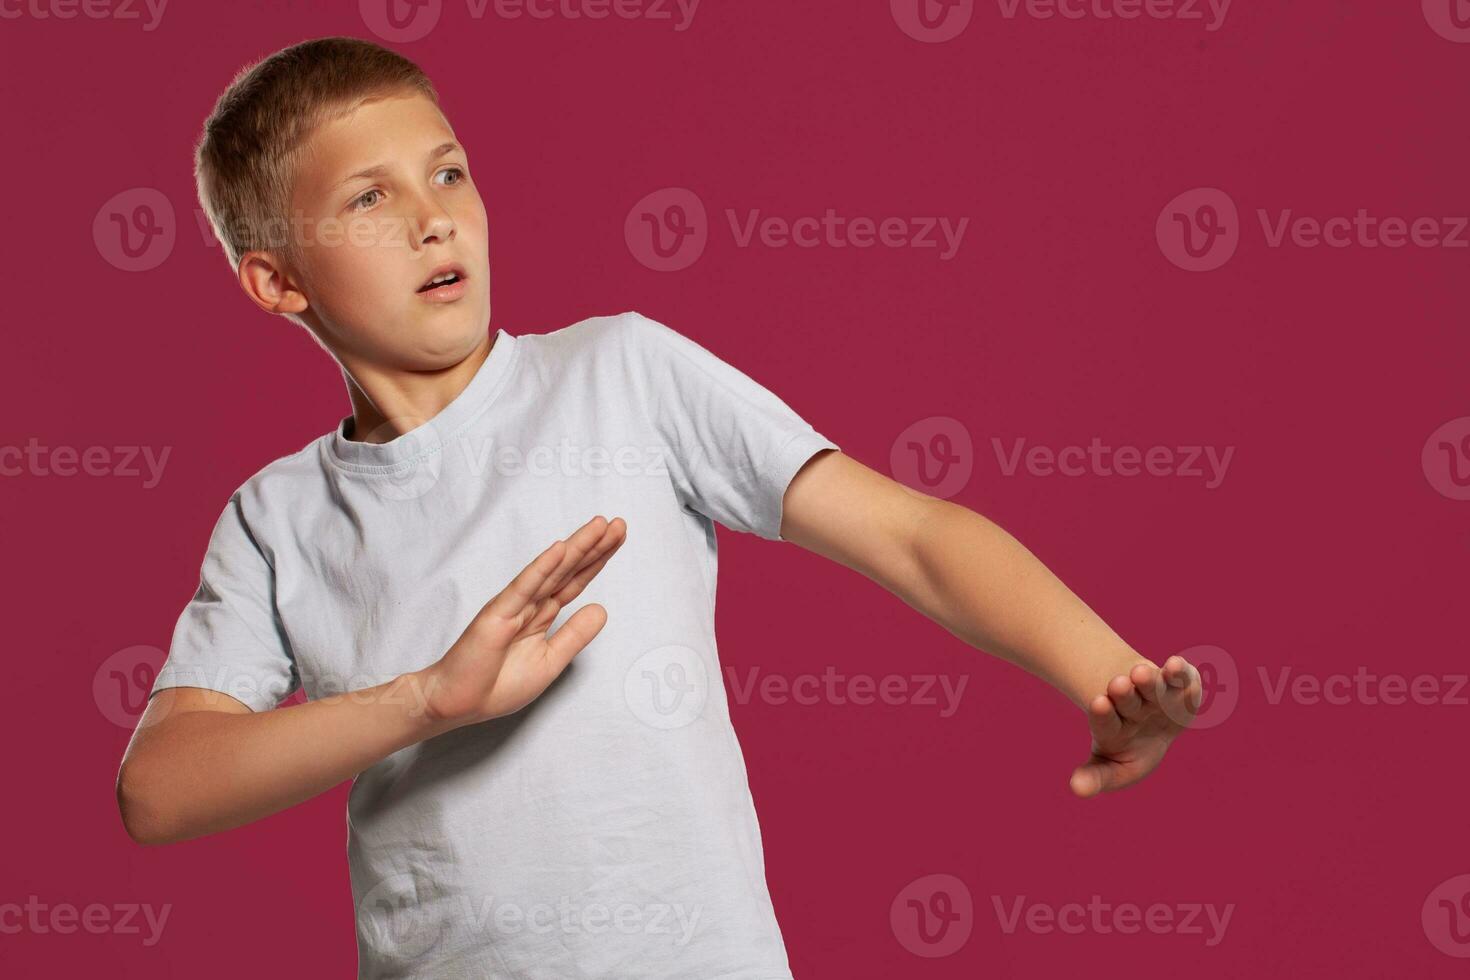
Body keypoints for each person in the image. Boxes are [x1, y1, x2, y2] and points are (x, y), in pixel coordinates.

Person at [115, 35, 1204, 980]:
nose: (433, 220)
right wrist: (427, 702)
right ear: (276, 281)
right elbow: (159, 789)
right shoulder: (278, 516)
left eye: (448, 173)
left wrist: (1103, 671)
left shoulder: (621, 373)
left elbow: (914, 536)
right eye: (369, 198)